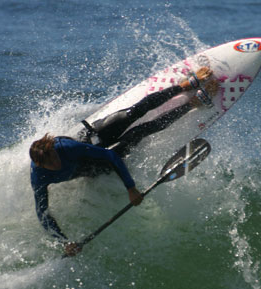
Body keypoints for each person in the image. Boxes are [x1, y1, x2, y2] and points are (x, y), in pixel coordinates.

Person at [30, 67, 216, 256]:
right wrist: (65, 242)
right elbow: (43, 215)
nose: (56, 164)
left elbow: (109, 155)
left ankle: (182, 86)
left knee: (133, 112)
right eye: (51, 164)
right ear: (41, 166)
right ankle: (191, 104)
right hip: (95, 167)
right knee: (140, 131)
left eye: (55, 158)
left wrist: (131, 188)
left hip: (91, 141)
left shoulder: (64, 148)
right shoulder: (40, 178)